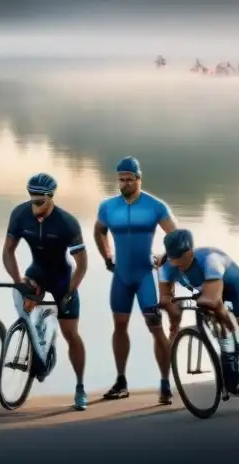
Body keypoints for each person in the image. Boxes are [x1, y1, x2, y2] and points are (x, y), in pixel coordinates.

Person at [93, 156, 178, 404]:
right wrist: (107, 256)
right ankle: (121, 381)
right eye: (121, 180)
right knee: (119, 325)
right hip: (121, 277)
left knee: (155, 327)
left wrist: (165, 255)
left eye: (130, 179)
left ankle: (165, 382)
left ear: (139, 179)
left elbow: (176, 235)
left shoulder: (155, 206)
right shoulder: (108, 207)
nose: (125, 184)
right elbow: (99, 230)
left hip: (145, 276)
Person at [2, 173, 89, 409]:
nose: (34, 206)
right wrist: (18, 280)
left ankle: (80, 387)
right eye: (32, 200)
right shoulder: (20, 215)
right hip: (36, 273)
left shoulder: (66, 222)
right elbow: (8, 252)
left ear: (51, 198)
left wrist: (70, 292)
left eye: (39, 202)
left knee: (71, 334)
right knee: (21, 298)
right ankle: (36, 336)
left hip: (62, 279)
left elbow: (82, 264)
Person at [157, 229, 239, 383]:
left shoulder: (210, 260)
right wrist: (171, 312)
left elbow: (212, 299)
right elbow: (165, 298)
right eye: (175, 262)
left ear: (190, 253)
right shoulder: (166, 267)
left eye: (182, 261)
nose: (179, 266)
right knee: (211, 316)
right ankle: (227, 346)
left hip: (234, 287)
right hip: (207, 288)